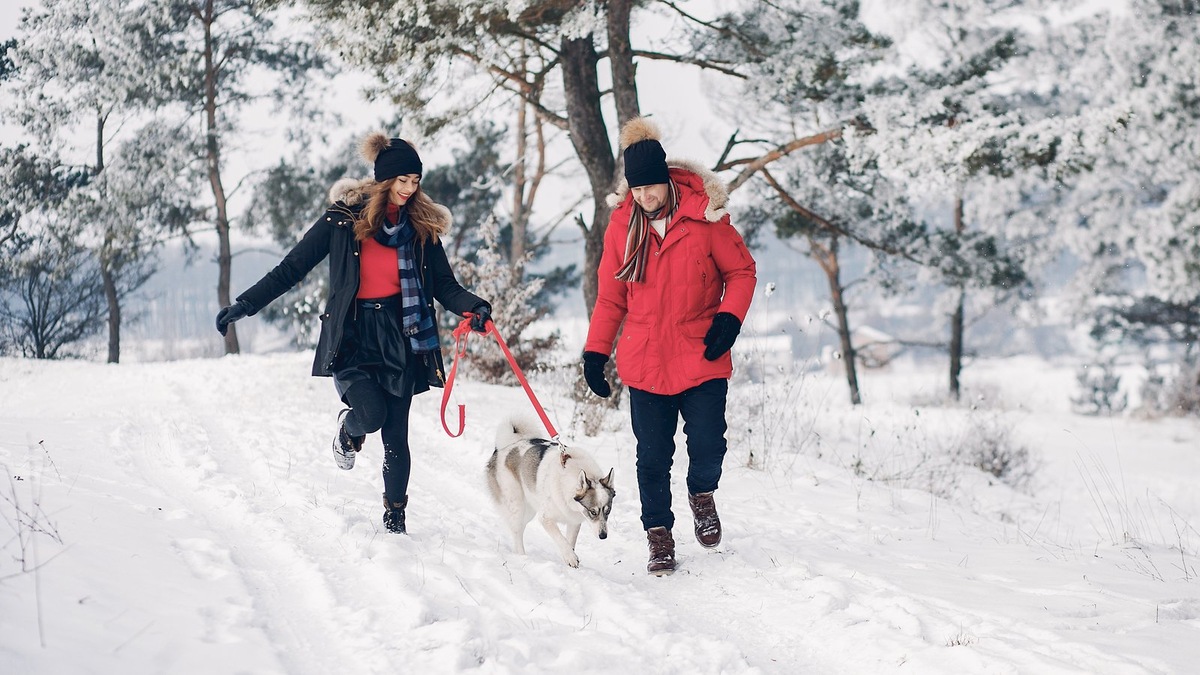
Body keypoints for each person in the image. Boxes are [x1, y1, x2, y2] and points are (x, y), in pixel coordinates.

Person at [215, 132, 492, 535]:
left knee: (397, 433)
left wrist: (475, 307)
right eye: (402, 180)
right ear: (384, 179)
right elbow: (291, 269)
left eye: (415, 181)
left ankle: (395, 515)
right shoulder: (342, 220)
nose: (409, 189)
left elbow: (444, 285)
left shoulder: (420, 227)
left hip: (402, 334)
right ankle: (349, 430)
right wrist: (245, 305)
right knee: (372, 415)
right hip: (354, 335)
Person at [581, 116, 757, 576]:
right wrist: (596, 351)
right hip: (645, 360)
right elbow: (610, 296)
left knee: (707, 444)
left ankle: (702, 493)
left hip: (702, 352)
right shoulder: (622, 227)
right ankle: (658, 535)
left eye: (650, 188)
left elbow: (741, 272)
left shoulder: (705, 218)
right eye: (636, 190)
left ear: (665, 179)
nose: (644, 197)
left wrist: (729, 318)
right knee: (652, 457)